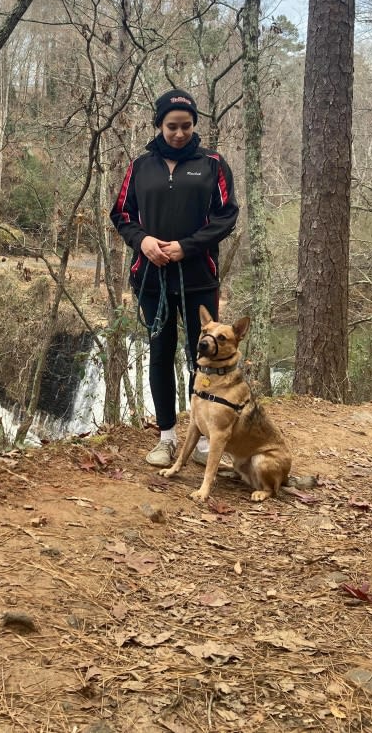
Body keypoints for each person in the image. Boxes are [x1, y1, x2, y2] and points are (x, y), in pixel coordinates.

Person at [110, 88, 239, 466]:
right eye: (171, 126)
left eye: (186, 126)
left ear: (194, 125)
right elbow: (121, 214)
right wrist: (144, 241)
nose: (179, 133)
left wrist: (187, 246)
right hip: (151, 278)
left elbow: (226, 216)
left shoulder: (213, 164)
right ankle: (166, 437)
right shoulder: (140, 167)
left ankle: (202, 442)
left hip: (198, 277)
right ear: (159, 125)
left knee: (202, 358)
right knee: (160, 352)